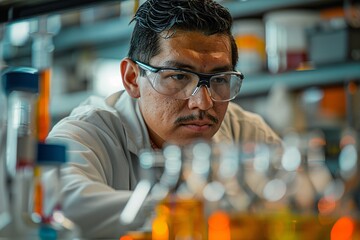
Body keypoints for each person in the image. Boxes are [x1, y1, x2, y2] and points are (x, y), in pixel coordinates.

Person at [47, 0, 281, 238]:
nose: (203, 102)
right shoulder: (86, 133)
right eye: (179, 76)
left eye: (219, 79)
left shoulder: (248, 133)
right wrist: (191, 212)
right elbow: (58, 205)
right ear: (132, 78)